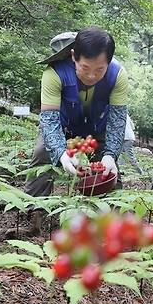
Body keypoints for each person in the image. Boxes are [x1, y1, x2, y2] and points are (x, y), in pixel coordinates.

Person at [24, 27, 128, 197]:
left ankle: (112, 215)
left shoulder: (118, 75)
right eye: (85, 68)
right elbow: (49, 121)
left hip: (98, 128)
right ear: (73, 56)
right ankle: (35, 209)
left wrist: (110, 155)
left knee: (109, 170)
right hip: (62, 126)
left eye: (100, 69)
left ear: (109, 62)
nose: (92, 76)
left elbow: (117, 120)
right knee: (42, 153)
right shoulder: (54, 73)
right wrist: (61, 154)